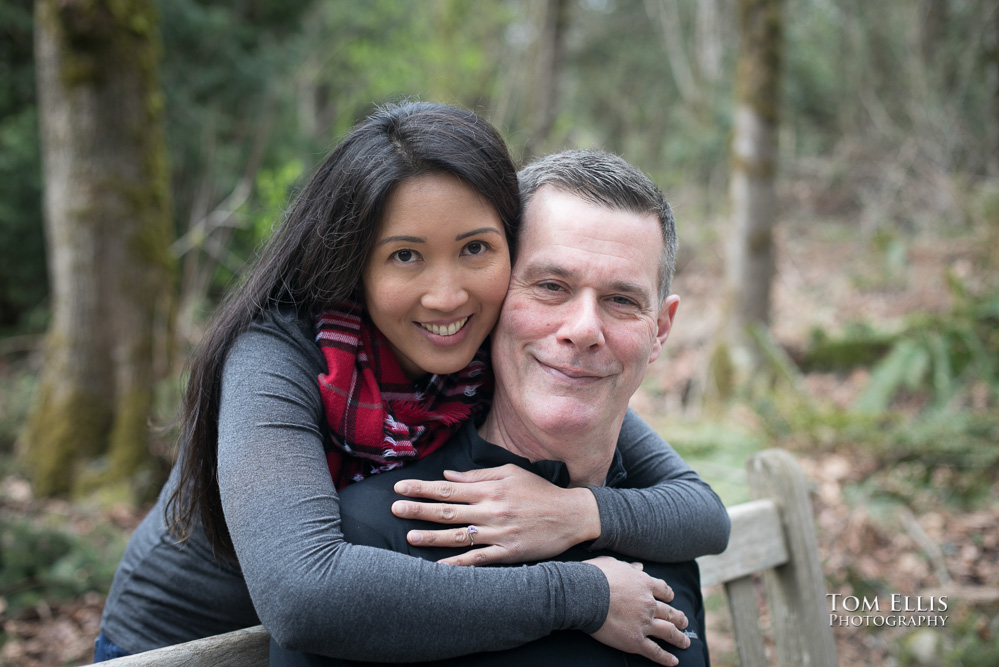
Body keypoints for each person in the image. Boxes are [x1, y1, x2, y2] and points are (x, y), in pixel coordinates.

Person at [96, 102, 730, 663]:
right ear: (355, 261)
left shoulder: (499, 339)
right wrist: (581, 593)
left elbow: (701, 513)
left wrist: (571, 512)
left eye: (475, 249)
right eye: (406, 255)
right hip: (179, 644)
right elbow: (304, 595)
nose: (446, 293)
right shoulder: (279, 357)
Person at [270, 149, 712, 667]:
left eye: (622, 301)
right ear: (498, 296)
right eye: (551, 286)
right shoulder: (373, 538)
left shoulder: (662, 536)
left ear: (660, 329)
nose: (585, 330)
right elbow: (305, 601)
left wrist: (581, 514)